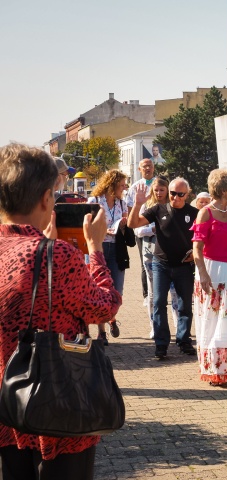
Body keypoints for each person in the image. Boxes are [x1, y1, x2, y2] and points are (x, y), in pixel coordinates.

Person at [0, 143, 121, 479]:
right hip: (57, 408)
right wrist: (95, 249)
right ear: (45, 198)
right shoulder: (56, 256)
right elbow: (105, 307)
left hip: (6, 407)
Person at [128, 177, 199, 359]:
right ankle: (161, 344)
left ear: (187, 194)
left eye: (180, 194)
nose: (175, 197)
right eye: (172, 193)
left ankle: (184, 341)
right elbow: (132, 224)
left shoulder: (194, 213)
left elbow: (204, 237)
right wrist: (137, 204)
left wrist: (196, 253)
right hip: (161, 264)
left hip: (184, 265)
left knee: (184, 305)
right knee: (159, 303)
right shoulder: (158, 209)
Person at [191, 170, 227, 386]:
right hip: (213, 271)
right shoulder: (205, 213)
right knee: (212, 321)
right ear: (223, 190)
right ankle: (214, 368)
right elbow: (197, 248)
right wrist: (202, 273)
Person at [88, 169, 134, 344]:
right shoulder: (94, 201)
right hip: (98, 247)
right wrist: (102, 230)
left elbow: (126, 224)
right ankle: (101, 332)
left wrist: (123, 224)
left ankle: (111, 317)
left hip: (117, 248)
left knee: (117, 291)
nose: (124, 188)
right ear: (112, 184)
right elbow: (85, 224)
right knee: (98, 290)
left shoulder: (121, 203)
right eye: (122, 185)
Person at [136, 176, 180, 339]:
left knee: (175, 292)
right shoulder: (148, 206)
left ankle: (178, 326)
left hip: (171, 254)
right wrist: (154, 229)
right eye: (156, 190)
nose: (159, 193)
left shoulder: (172, 205)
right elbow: (137, 230)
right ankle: (155, 326)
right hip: (150, 252)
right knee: (154, 293)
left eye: (162, 190)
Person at [125, 158, 156, 306]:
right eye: (145, 167)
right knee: (145, 261)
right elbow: (130, 209)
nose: (148, 168)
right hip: (142, 229)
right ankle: (146, 294)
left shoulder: (160, 184)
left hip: (158, 228)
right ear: (139, 170)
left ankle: (159, 291)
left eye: (150, 166)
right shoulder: (135, 187)